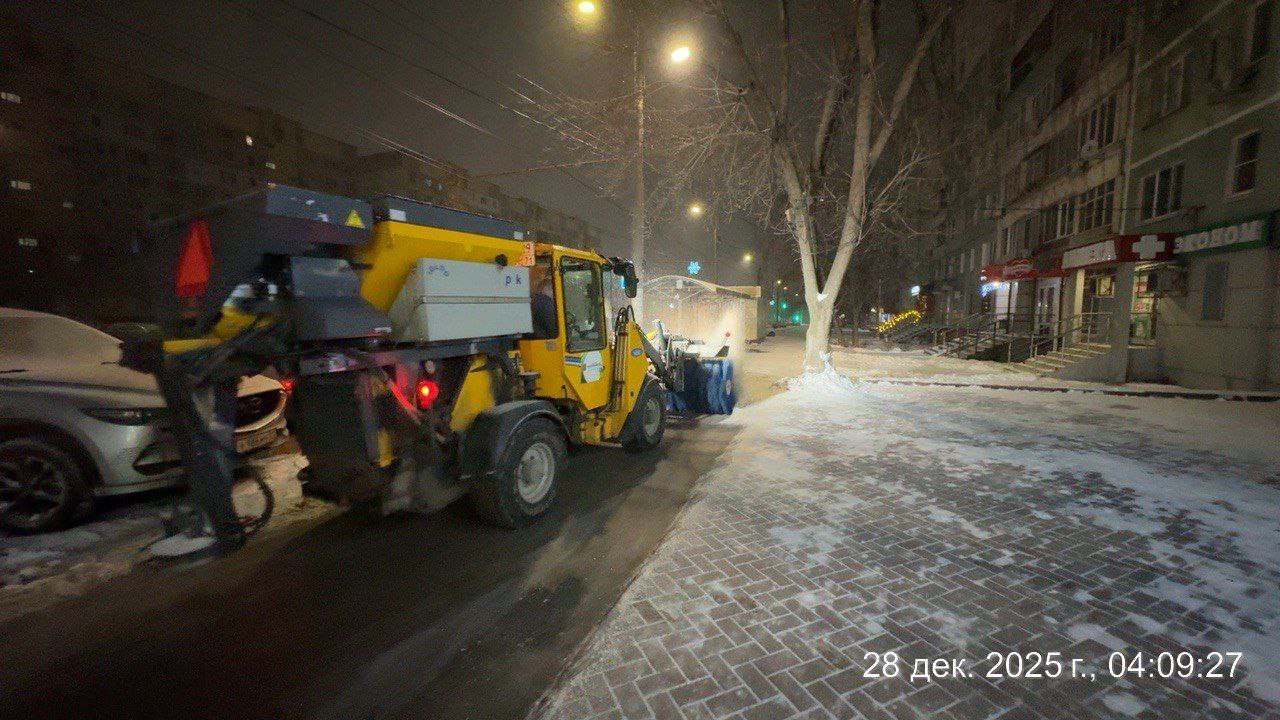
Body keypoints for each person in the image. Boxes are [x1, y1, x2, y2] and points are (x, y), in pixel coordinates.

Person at [531, 273, 558, 337]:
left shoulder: (534, 300)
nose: (555, 294)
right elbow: (553, 330)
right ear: (546, 289)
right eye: (553, 289)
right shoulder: (545, 303)